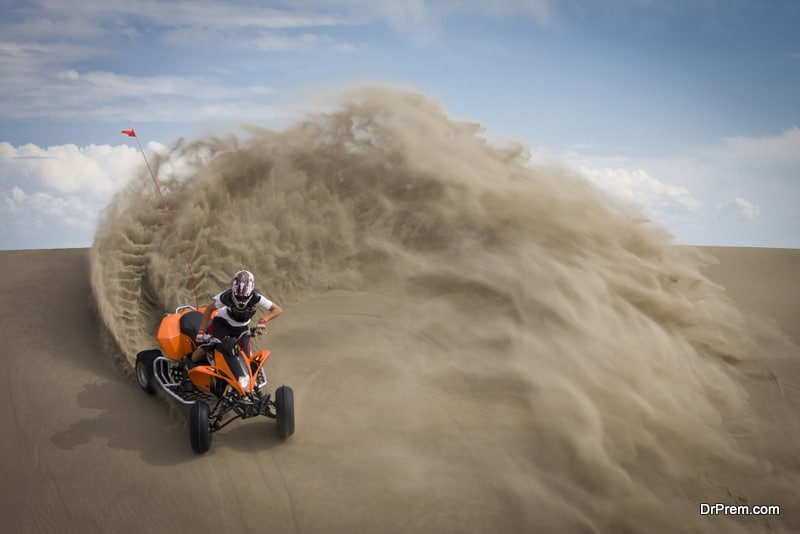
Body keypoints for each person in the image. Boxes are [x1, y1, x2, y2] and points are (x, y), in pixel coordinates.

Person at [186, 270, 283, 367]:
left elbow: (277, 310)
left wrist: (264, 319)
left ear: (251, 291)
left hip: (241, 327)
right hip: (223, 323)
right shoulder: (225, 297)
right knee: (205, 349)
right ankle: (188, 366)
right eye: (237, 297)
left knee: (246, 359)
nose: (241, 301)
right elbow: (209, 309)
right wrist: (202, 330)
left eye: (244, 298)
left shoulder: (257, 298)